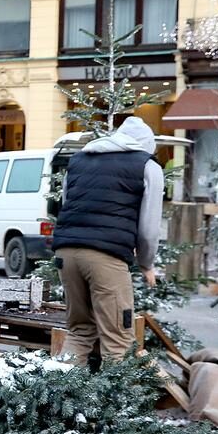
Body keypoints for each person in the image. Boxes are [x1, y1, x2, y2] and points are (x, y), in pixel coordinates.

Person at [50, 115, 164, 363]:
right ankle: (115, 402)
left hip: (65, 252)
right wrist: (146, 264)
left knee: (79, 331)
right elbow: (149, 226)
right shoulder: (147, 166)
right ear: (146, 145)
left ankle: (63, 397)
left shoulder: (79, 160)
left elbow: (67, 202)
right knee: (118, 340)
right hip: (105, 257)